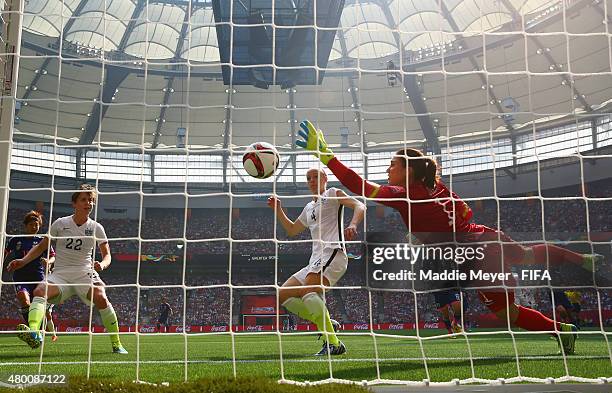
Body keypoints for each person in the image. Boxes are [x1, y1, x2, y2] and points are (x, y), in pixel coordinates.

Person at [296, 120, 603, 354]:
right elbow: (451, 216)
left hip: (471, 257)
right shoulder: (437, 188)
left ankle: (561, 325)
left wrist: (328, 157)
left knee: (508, 313)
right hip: (484, 237)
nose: (388, 169)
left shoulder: (406, 194)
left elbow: (363, 187)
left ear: (408, 170)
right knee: (524, 257)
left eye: (393, 164)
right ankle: (580, 267)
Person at [7, 184, 128, 354]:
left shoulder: (96, 228)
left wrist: (102, 264)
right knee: (40, 291)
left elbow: (107, 255)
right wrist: (23, 261)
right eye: (84, 200)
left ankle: (117, 343)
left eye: (91, 200)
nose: (88, 203)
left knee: (101, 296)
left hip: (84, 273)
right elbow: (42, 247)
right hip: (61, 274)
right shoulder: (60, 223)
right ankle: (34, 332)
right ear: (74, 203)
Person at [267, 167, 365, 355]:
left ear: (325, 178)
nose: (311, 180)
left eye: (315, 177)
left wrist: (353, 224)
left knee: (307, 291)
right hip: (315, 260)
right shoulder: (308, 208)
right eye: (308, 178)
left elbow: (360, 205)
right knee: (283, 294)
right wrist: (279, 210)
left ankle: (334, 344)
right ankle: (328, 323)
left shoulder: (332, 193)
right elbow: (292, 230)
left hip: (333, 253)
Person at [4, 211, 58, 342]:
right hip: (20, 277)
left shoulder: (42, 241)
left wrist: (48, 262)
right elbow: (4, 253)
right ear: (25, 225)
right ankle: (34, 332)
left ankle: (35, 332)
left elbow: (52, 256)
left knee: (39, 307)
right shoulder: (15, 240)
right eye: (32, 225)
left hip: (38, 277)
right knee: (23, 299)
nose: (35, 227)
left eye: (37, 225)